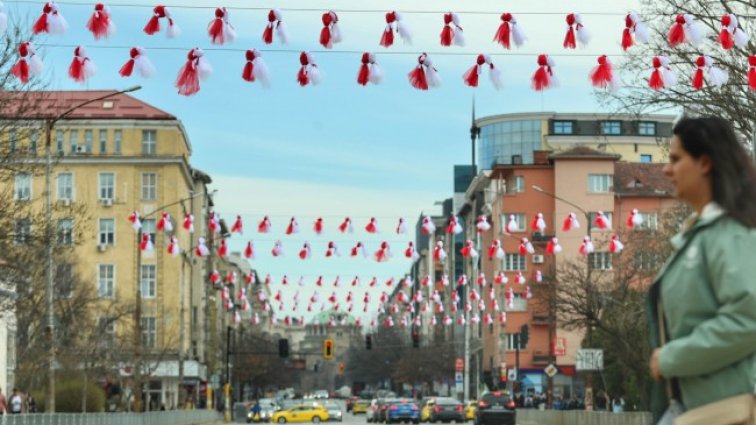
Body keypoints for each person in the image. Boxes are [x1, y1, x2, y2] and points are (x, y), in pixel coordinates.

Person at [647, 116, 756, 422]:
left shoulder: (732, 232)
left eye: (676, 159)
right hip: (696, 409)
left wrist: (670, 358)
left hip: (724, 411)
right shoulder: (700, 235)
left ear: (705, 163)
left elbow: (748, 318)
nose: (667, 170)